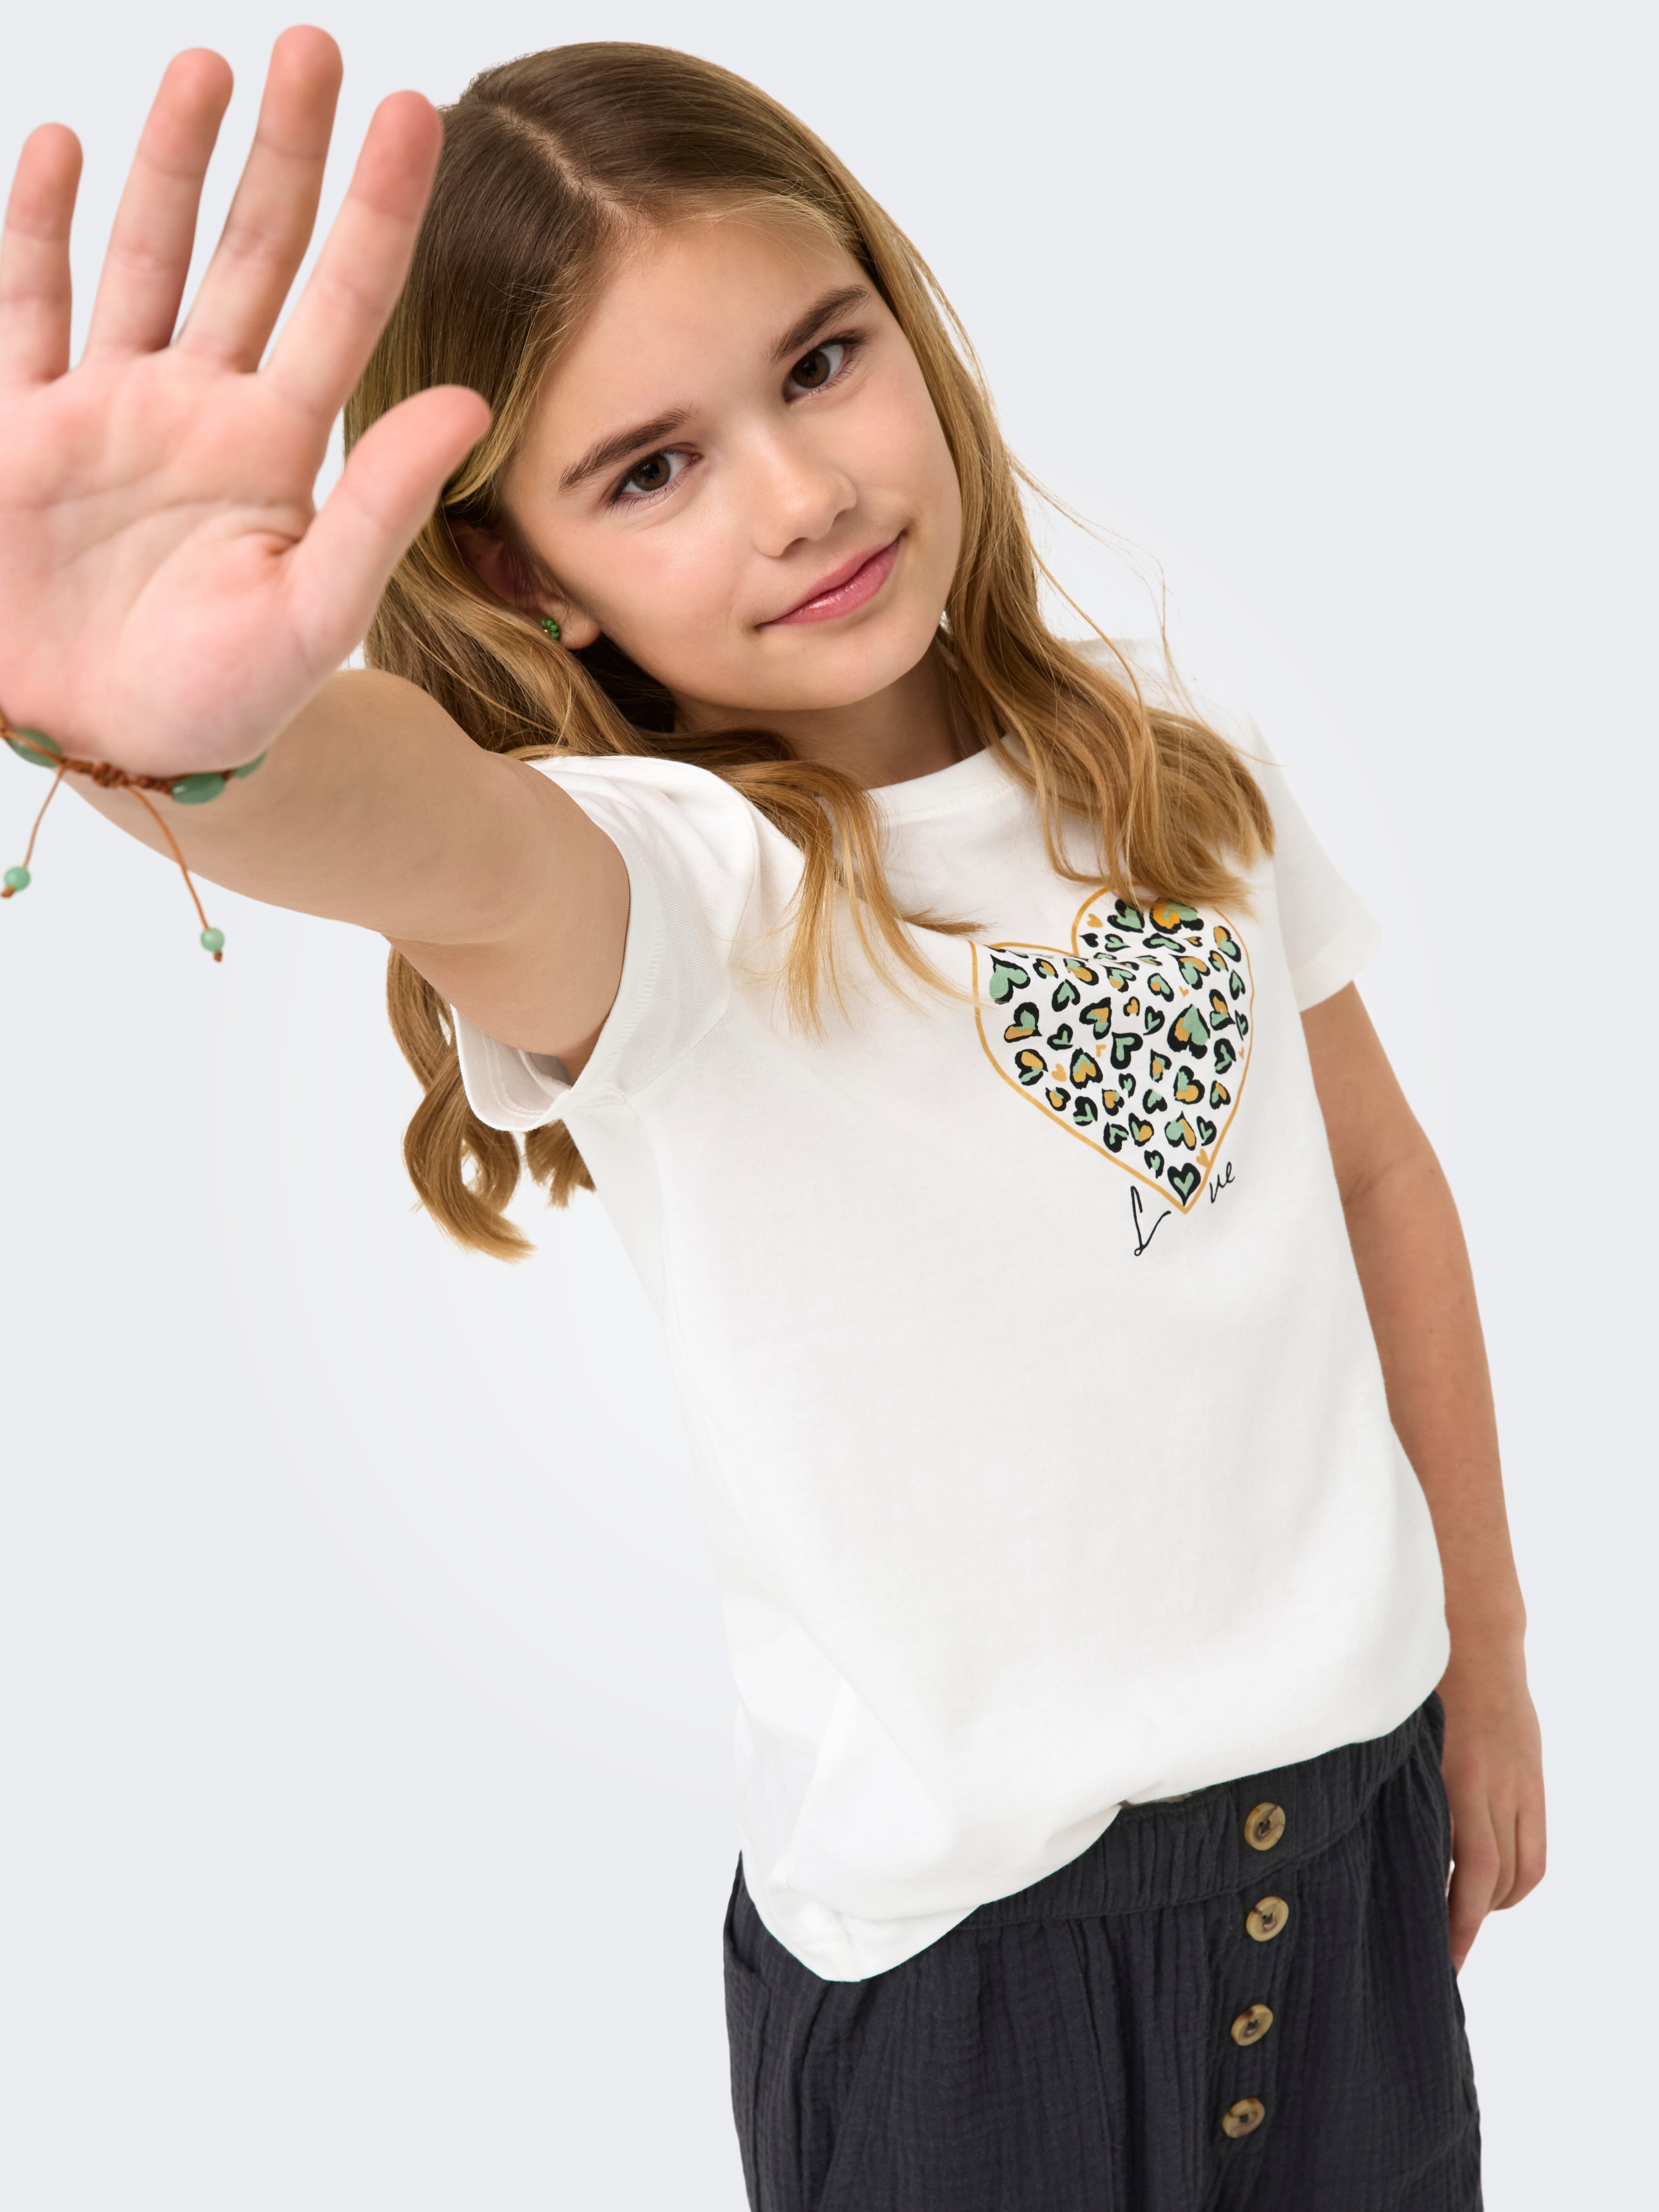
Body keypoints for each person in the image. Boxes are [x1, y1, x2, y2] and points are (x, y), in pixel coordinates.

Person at [0, 30, 1544, 2211]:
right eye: (650, 471)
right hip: (971, 1996)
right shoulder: (677, 896)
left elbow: (1377, 1180)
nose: (800, 493)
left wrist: (1489, 1654)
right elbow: (445, 837)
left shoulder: (1181, 778)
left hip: (1355, 1860)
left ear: (904, 319)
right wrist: (188, 747)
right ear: (523, 578)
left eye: (821, 364)